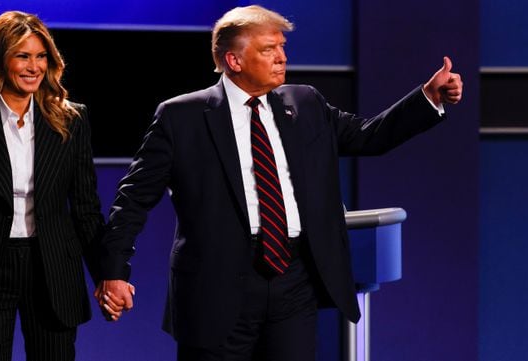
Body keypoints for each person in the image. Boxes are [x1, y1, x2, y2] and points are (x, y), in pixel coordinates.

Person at [96, 4, 462, 361]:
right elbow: (133, 199)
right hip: (216, 286)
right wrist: (113, 272)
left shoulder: (305, 103)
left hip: (294, 279)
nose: (281, 57)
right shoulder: (182, 116)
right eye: (268, 49)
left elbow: (369, 136)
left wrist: (427, 98)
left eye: (282, 48)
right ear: (234, 61)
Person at [0, 10, 110, 360]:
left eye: (41, 56)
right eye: (23, 56)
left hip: (52, 270)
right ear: (1, 59)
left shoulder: (71, 120)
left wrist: (107, 275)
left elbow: (86, 209)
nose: (34, 67)